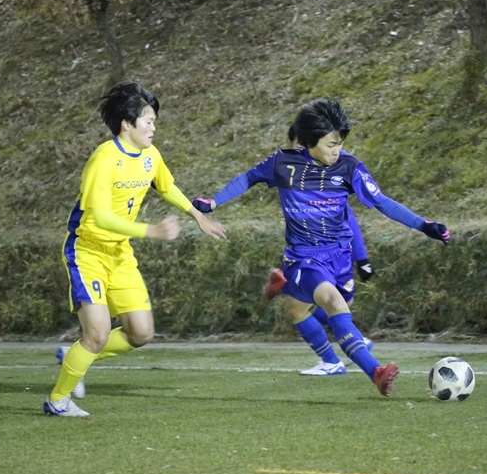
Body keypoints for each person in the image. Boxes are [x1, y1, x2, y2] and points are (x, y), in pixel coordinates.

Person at [192, 98, 450, 396]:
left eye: (340, 143)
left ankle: (287, 287)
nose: (337, 150)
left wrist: (424, 225)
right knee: (335, 304)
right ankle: (376, 373)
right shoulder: (283, 163)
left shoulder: (349, 167)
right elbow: (247, 178)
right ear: (310, 142)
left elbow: (382, 202)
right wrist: (213, 202)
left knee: (336, 313)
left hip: (340, 256)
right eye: (331, 144)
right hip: (305, 257)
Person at [44, 81, 227, 417]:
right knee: (97, 334)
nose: (154, 128)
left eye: (154, 121)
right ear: (126, 124)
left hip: (120, 254)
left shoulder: (150, 156)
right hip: (87, 252)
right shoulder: (104, 159)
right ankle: (58, 400)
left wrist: (198, 216)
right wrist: (150, 231)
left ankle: (75, 355)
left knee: (141, 334)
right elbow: (100, 216)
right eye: (148, 121)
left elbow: (167, 186)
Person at [264, 125, 374, 376]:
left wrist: (362, 259)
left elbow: (349, 218)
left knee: (301, 308)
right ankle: (351, 343)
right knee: (312, 305)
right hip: (315, 259)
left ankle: (332, 361)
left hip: (329, 260)